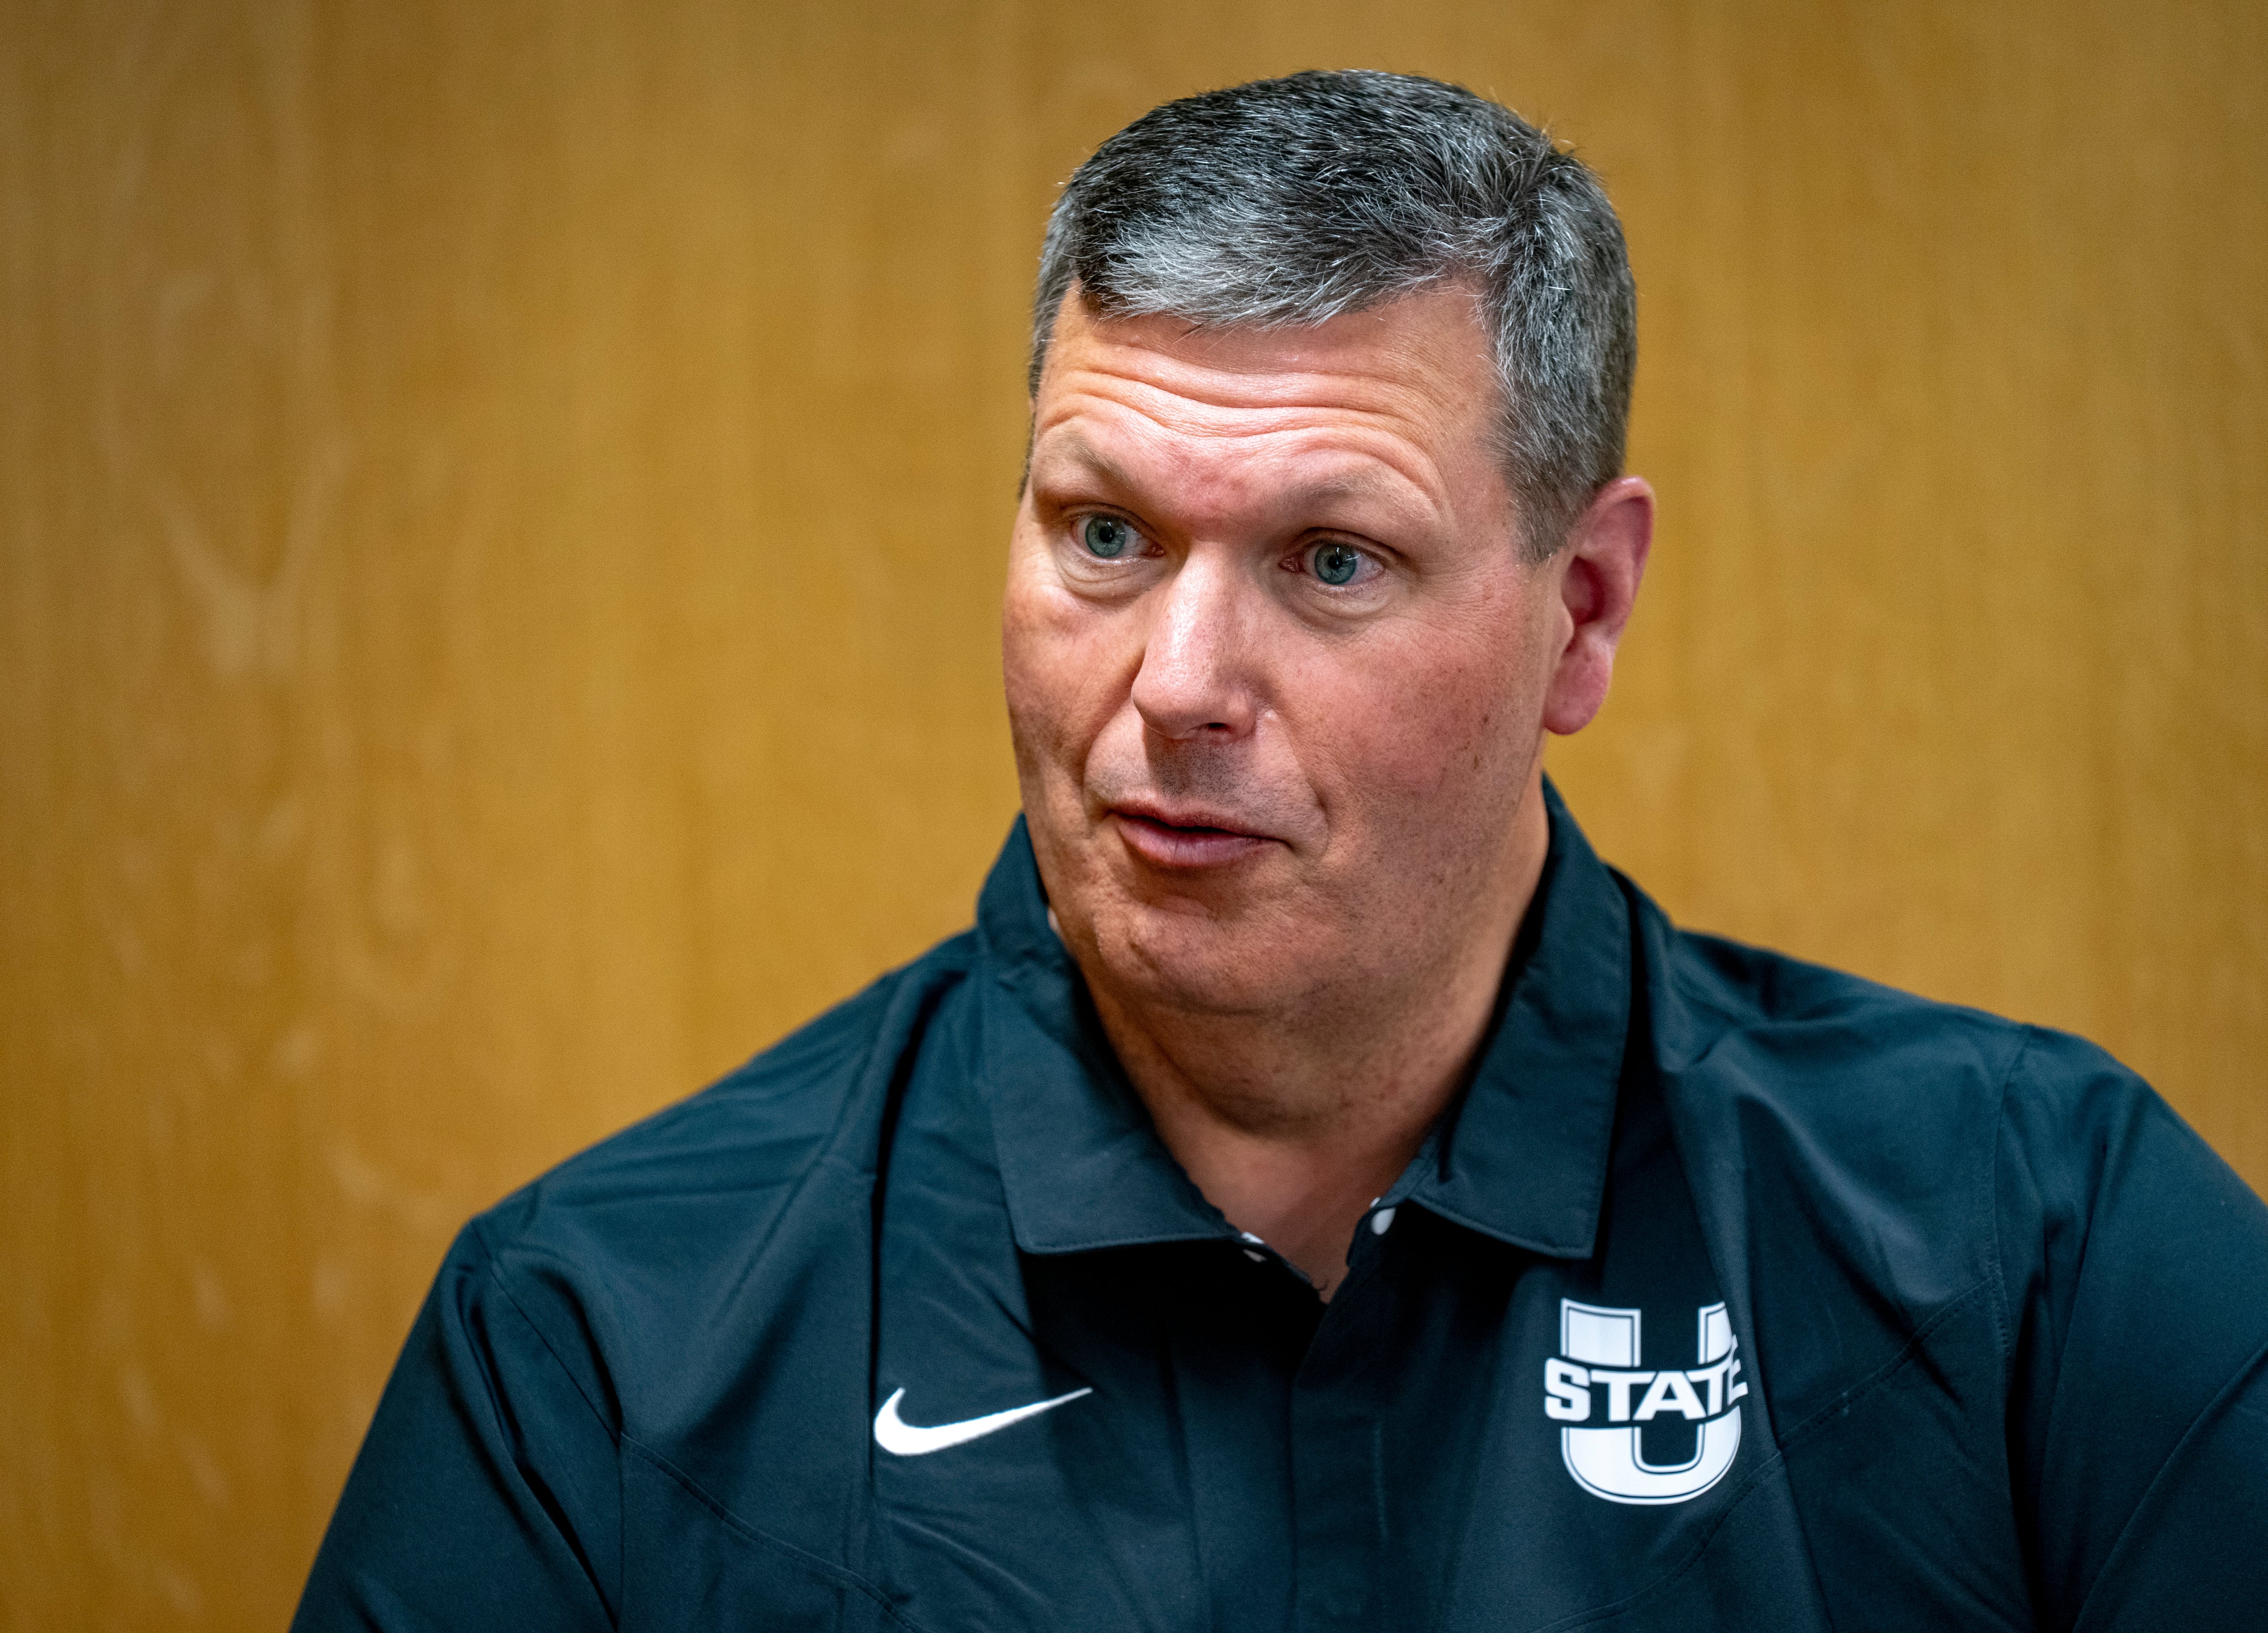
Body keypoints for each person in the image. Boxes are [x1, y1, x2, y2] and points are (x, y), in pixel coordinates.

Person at [293, 71, 2268, 1632]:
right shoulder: (606, 1338)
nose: (1173, 683)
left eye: (1329, 560)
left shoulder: (2034, 1249)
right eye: (1101, 534)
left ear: (1577, 609)